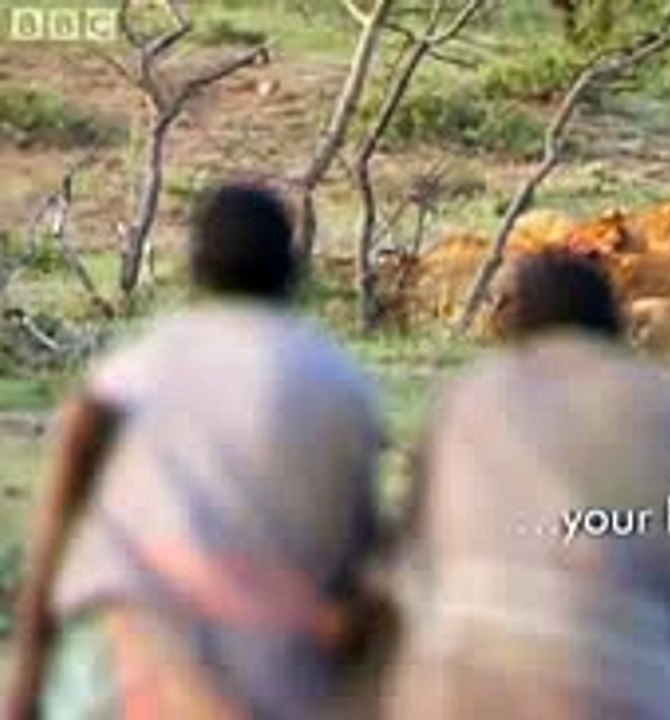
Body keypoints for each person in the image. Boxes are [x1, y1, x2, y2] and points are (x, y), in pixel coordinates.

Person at [8, 183, 389, 719]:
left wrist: (27, 675)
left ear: (195, 267)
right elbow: (360, 561)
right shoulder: (344, 386)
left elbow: (60, 521)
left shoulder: (134, 370)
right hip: (282, 680)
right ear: (292, 269)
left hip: (123, 677)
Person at [387, 250, 670, 719]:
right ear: (610, 319)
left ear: (515, 324)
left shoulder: (469, 394)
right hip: (629, 682)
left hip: (456, 683)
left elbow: (412, 546)